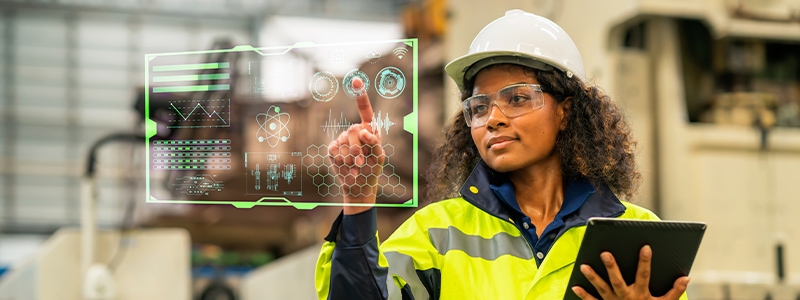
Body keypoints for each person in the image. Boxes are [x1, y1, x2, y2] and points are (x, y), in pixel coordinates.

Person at [315, 9, 690, 300]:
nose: (492, 119)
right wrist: (359, 200)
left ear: (565, 111)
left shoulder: (636, 236)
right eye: (478, 107)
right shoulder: (437, 234)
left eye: (517, 98)